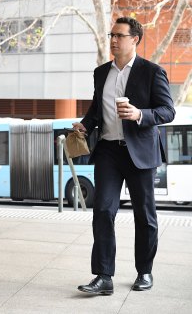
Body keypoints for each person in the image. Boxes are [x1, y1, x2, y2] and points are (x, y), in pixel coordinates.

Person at [74, 16, 175, 295]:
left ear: (135, 40)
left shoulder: (152, 72)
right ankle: (104, 276)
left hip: (140, 151)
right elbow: (97, 108)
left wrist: (140, 114)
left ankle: (145, 271)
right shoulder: (101, 72)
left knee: (145, 215)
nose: (114, 41)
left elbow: (168, 110)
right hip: (108, 150)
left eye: (119, 36)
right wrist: (86, 124)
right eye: (112, 35)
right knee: (103, 211)